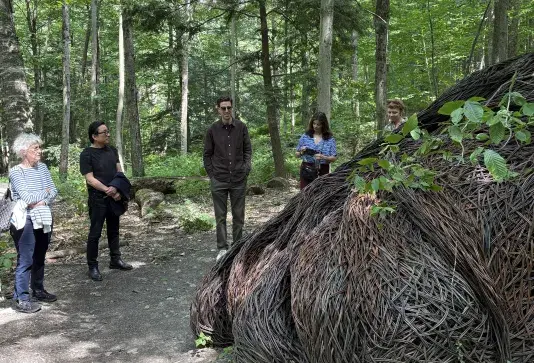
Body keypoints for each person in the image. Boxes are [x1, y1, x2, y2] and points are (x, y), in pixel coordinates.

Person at [9, 133, 58, 313]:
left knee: (40, 254)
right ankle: (22, 298)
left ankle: (38, 290)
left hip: (44, 215)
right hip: (25, 219)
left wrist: (43, 200)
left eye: (39, 148)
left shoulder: (43, 168)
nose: (40, 151)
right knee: (26, 258)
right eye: (35, 148)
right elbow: (27, 198)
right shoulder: (16, 171)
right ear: (24, 151)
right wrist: (44, 194)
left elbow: (54, 190)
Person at [80, 121, 132, 281]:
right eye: (104, 132)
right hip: (98, 199)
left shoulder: (112, 150)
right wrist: (108, 190)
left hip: (114, 196)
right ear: (94, 136)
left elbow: (119, 172)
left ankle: (115, 259)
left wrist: (116, 189)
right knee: (95, 233)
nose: (108, 134)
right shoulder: (86, 154)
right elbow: (90, 179)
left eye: (108, 131)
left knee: (114, 230)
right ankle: (92, 266)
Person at [203, 96, 252, 261]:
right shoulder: (212, 130)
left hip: (238, 178)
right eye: (223, 108)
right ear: (218, 109)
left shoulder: (241, 127)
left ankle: (237, 247)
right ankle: (222, 248)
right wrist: (212, 174)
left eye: (228, 108)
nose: (226, 111)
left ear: (232, 108)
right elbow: (207, 155)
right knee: (220, 216)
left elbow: (247, 150)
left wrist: (246, 169)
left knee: (239, 216)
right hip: (219, 179)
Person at [296, 112, 337, 189]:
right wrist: (301, 151)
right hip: (307, 169)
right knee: (305, 193)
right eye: (314, 123)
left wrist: (324, 157)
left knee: (319, 194)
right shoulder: (305, 136)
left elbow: (334, 157)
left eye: (318, 124)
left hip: (323, 169)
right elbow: (297, 154)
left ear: (323, 125)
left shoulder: (330, 139)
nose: (315, 126)